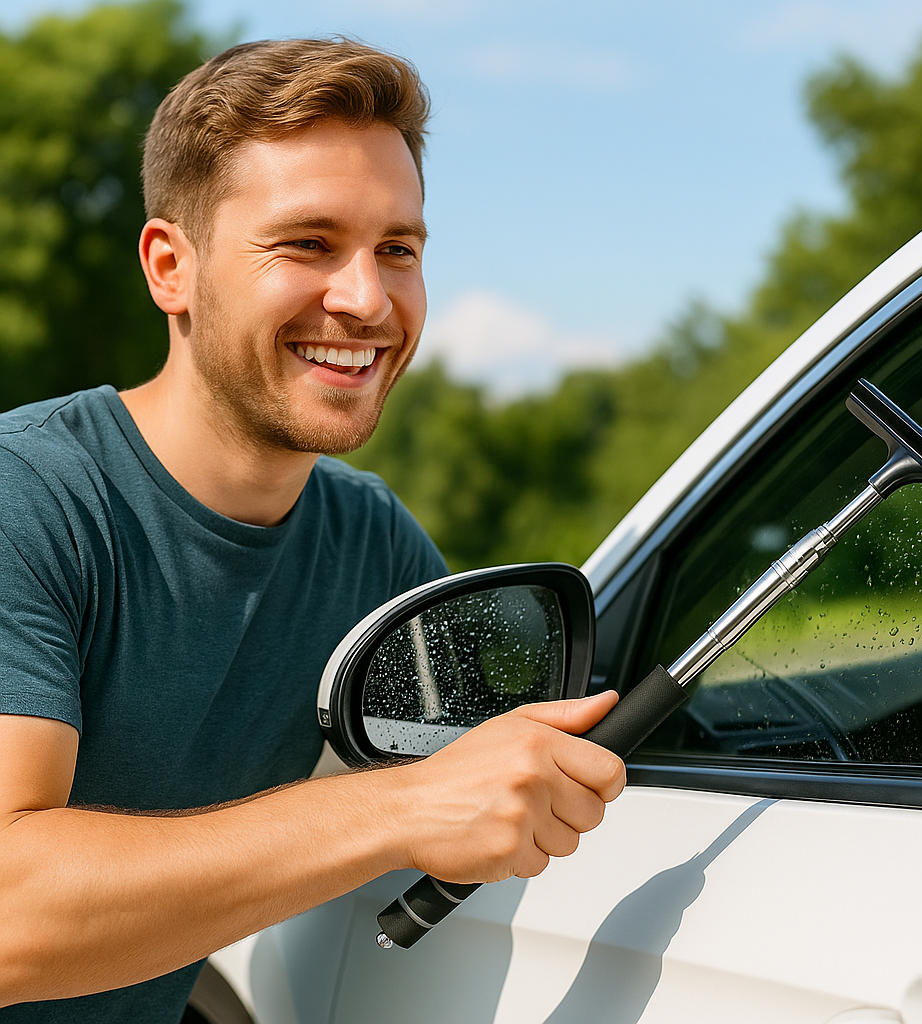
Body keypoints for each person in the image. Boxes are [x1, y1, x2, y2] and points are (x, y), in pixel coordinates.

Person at [0, 38, 625, 1023]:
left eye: (398, 249)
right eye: (306, 244)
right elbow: (7, 914)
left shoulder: (371, 543)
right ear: (173, 266)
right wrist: (401, 811)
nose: (367, 300)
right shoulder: (27, 499)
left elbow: (475, 765)